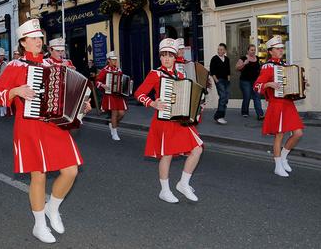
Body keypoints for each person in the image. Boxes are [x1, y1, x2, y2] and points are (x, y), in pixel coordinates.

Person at [0, 19, 91, 244]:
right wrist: (16, 90)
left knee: (71, 171)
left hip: (54, 125)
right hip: (28, 126)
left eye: (40, 38)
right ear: (23, 43)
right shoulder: (15, 67)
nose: (38, 42)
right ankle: (39, 225)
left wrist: (80, 107)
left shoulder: (53, 66)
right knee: (39, 176)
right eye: (33, 38)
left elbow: (66, 94)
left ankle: (52, 208)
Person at [134, 38, 204, 204]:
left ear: (175, 57)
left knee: (197, 149)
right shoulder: (155, 74)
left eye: (170, 55)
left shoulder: (181, 75)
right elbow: (139, 93)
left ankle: (183, 183)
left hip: (180, 120)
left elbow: (186, 96)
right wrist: (152, 103)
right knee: (167, 155)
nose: (166, 58)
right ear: (160, 57)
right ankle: (164, 190)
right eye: (163, 55)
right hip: (164, 120)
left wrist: (197, 104)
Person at [253, 36, 305, 177]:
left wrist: (302, 84)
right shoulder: (267, 67)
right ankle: (277, 165)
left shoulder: (285, 64)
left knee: (298, 133)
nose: (281, 50)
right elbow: (256, 86)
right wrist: (269, 84)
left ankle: (283, 157)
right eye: (278, 48)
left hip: (288, 103)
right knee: (279, 136)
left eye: (282, 48)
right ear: (270, 51)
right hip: (276, 104)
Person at [95, 51, 127, 141]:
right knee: (114, 113)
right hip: (110, 95)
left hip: (118, 95)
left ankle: (112, 125)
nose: (115, 61)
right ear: (108, 60)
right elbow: (97, 81)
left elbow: (122, 81)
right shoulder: (105, 70)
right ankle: (114, 133)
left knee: (122, 114)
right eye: (113, 60)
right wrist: (103, 85)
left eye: (116, 60)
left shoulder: (118, 70)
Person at [236, 44, 264, 120]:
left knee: (257, 97)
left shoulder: (257, 58)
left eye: (254, 50)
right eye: (251, 50)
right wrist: (244, 63)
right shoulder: (243, 58)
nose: (253, 51)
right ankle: (245, 111)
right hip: (245, 81)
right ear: (248, 51)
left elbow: (260, 69)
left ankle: (260, 114)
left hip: (255, 81)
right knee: (247, 96)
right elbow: (237, 68)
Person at [209, 43, 230, 125]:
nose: (219, 51)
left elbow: (228, 70)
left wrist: (228, 79)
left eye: (221, 49)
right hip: (219, 80)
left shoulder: (227, 59)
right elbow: (212, 70)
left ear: (225, 51)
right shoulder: (214, 58)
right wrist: (216, 80)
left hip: (226, 81)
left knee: (226, 98)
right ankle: (219, 116)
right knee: (223, 96)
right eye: (218, 49)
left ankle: (221, 115)